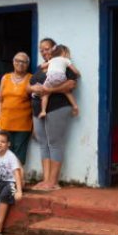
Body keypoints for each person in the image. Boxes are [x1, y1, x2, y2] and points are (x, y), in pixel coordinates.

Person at [29, 38, 78, 191]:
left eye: (47, 48)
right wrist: (32, 89)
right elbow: (28, 86)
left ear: (54, 48)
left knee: (55, 143)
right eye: (41, 50)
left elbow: (71, 84)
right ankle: (46, 180)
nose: (44, 52)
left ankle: (53, 182)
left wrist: (48, 90)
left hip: (57, 107)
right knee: (43, 143)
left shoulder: (63, 63)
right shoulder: (40, 68)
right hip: (38, 110)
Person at [0, 52, 33, 165]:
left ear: (27, 64)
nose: (20, 64)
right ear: (13, 62)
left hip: (23, 123)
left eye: (23, 62)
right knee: (4, 152)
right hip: (5, 122)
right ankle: (5, 179)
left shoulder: (31, 79)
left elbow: (34, 102)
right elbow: (0, 100)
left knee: (19, 153)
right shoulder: (5, 78)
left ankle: (16, 180)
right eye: (17, 61)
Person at [37, 44, 80, 118]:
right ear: (64, 53)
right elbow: (75, 71)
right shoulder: (66, 60)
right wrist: (78, 74)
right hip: (61, 77)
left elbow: (42, 66)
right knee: (67, 91)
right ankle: (75, 106)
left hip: (51, 77)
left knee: (45, 94)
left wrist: (41, 66)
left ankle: (43, 111)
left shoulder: (52, 60)